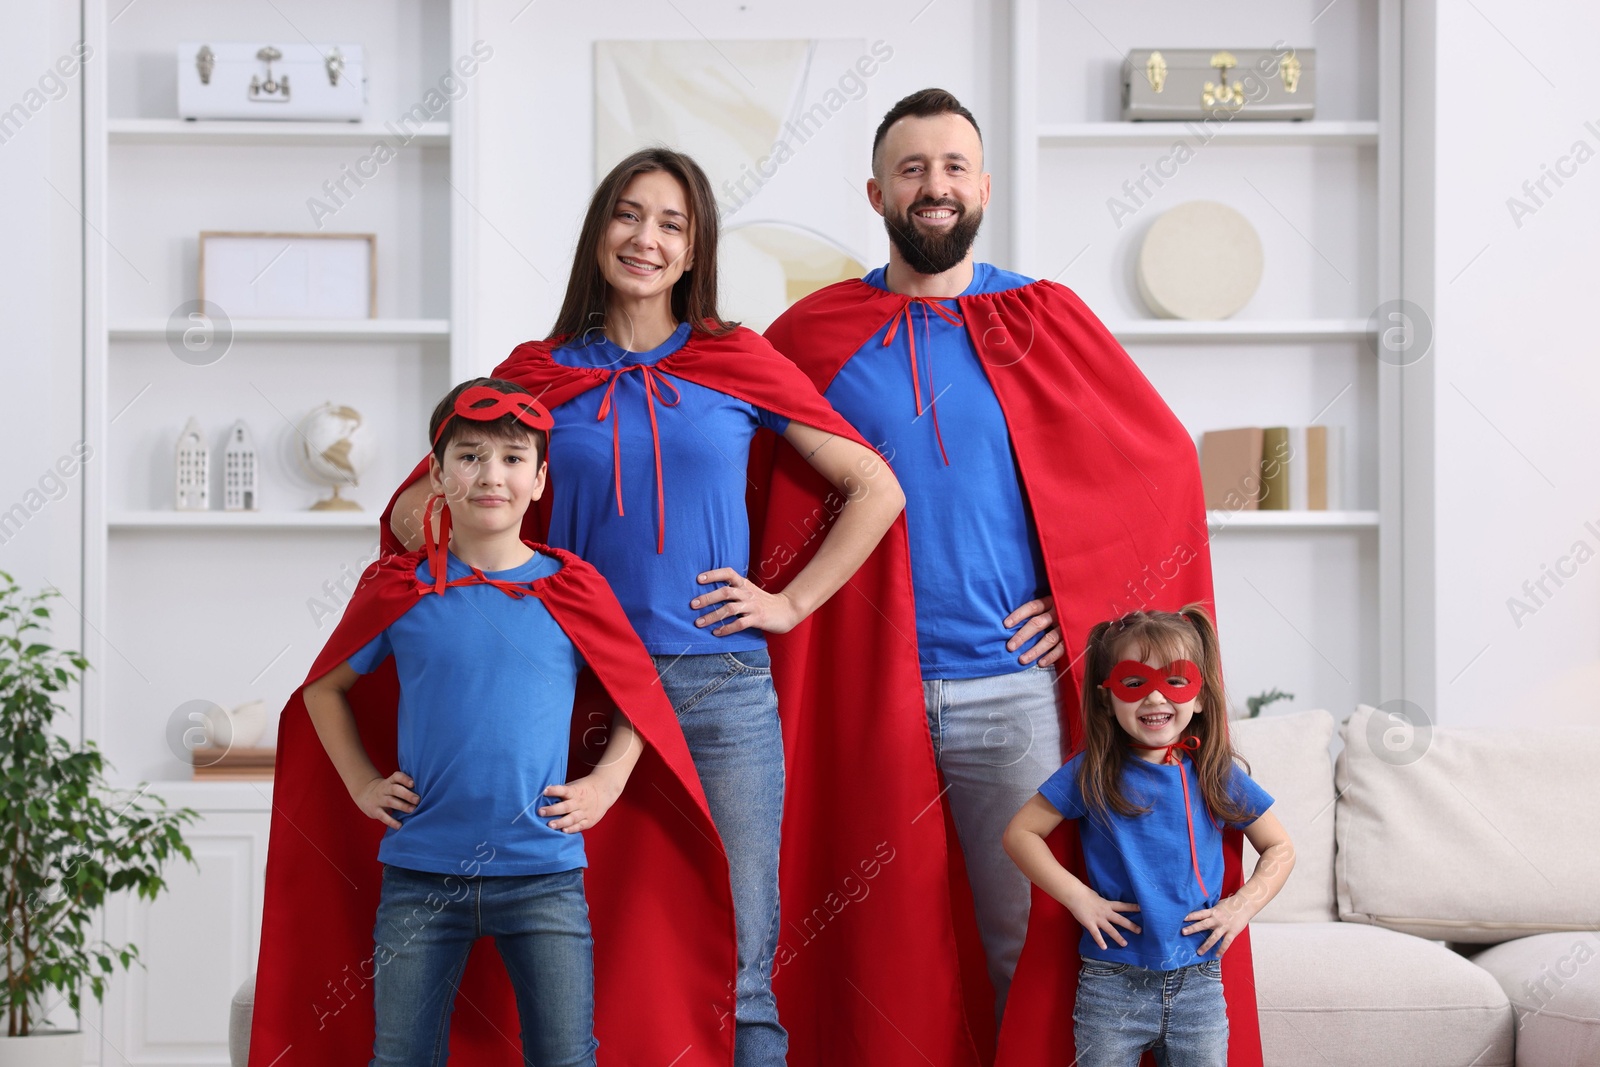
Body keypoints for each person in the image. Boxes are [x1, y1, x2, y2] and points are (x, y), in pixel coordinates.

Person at [757, 88, 1263, 1065]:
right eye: (911, 169)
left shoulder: (1044, 319)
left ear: (982, 187)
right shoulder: (811, 336)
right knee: (883, 934)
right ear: (876, 192)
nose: (933, 186)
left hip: (1009, 688)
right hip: (872, 687)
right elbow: (726, 477)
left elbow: (1155, 469)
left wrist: (1087, 606)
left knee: (1023, 937)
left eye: (952, 167)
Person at [384, 148, 906, 1067]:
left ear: (696, 248)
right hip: (571, 690)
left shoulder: (737, 358)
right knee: (590, 946)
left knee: (745, 953)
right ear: (598, 233)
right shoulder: (536, 374)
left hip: (718, 687)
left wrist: (788, 602)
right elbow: (408, 510)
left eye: (673, 224)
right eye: (630, 216)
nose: (647, 239)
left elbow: (875, 486)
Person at [250, 380, 730, 1066]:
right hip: (420, 876)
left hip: (546, 878)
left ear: (539, 481)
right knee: (401, 1055)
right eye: (470, 457)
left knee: (564, 1056)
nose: (490, 475)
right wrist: (360, 782)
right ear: (439, 476)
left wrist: (606, 782)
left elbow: (640, 693)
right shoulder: (400, 589)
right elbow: (324, 689)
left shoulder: (574, 589)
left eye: (511, 459)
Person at [1004, 606, 1294, 1067]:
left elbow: (1280, 846)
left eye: (1176, 682)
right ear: (1106, 699)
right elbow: (1021, 833)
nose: (1156, 699)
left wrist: (1241, 907)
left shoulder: (1216, 775)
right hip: (1111, 983)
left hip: (1198, 983)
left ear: (1200, 698)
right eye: (1134, 683)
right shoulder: (1092, 773)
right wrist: (1080, 898)